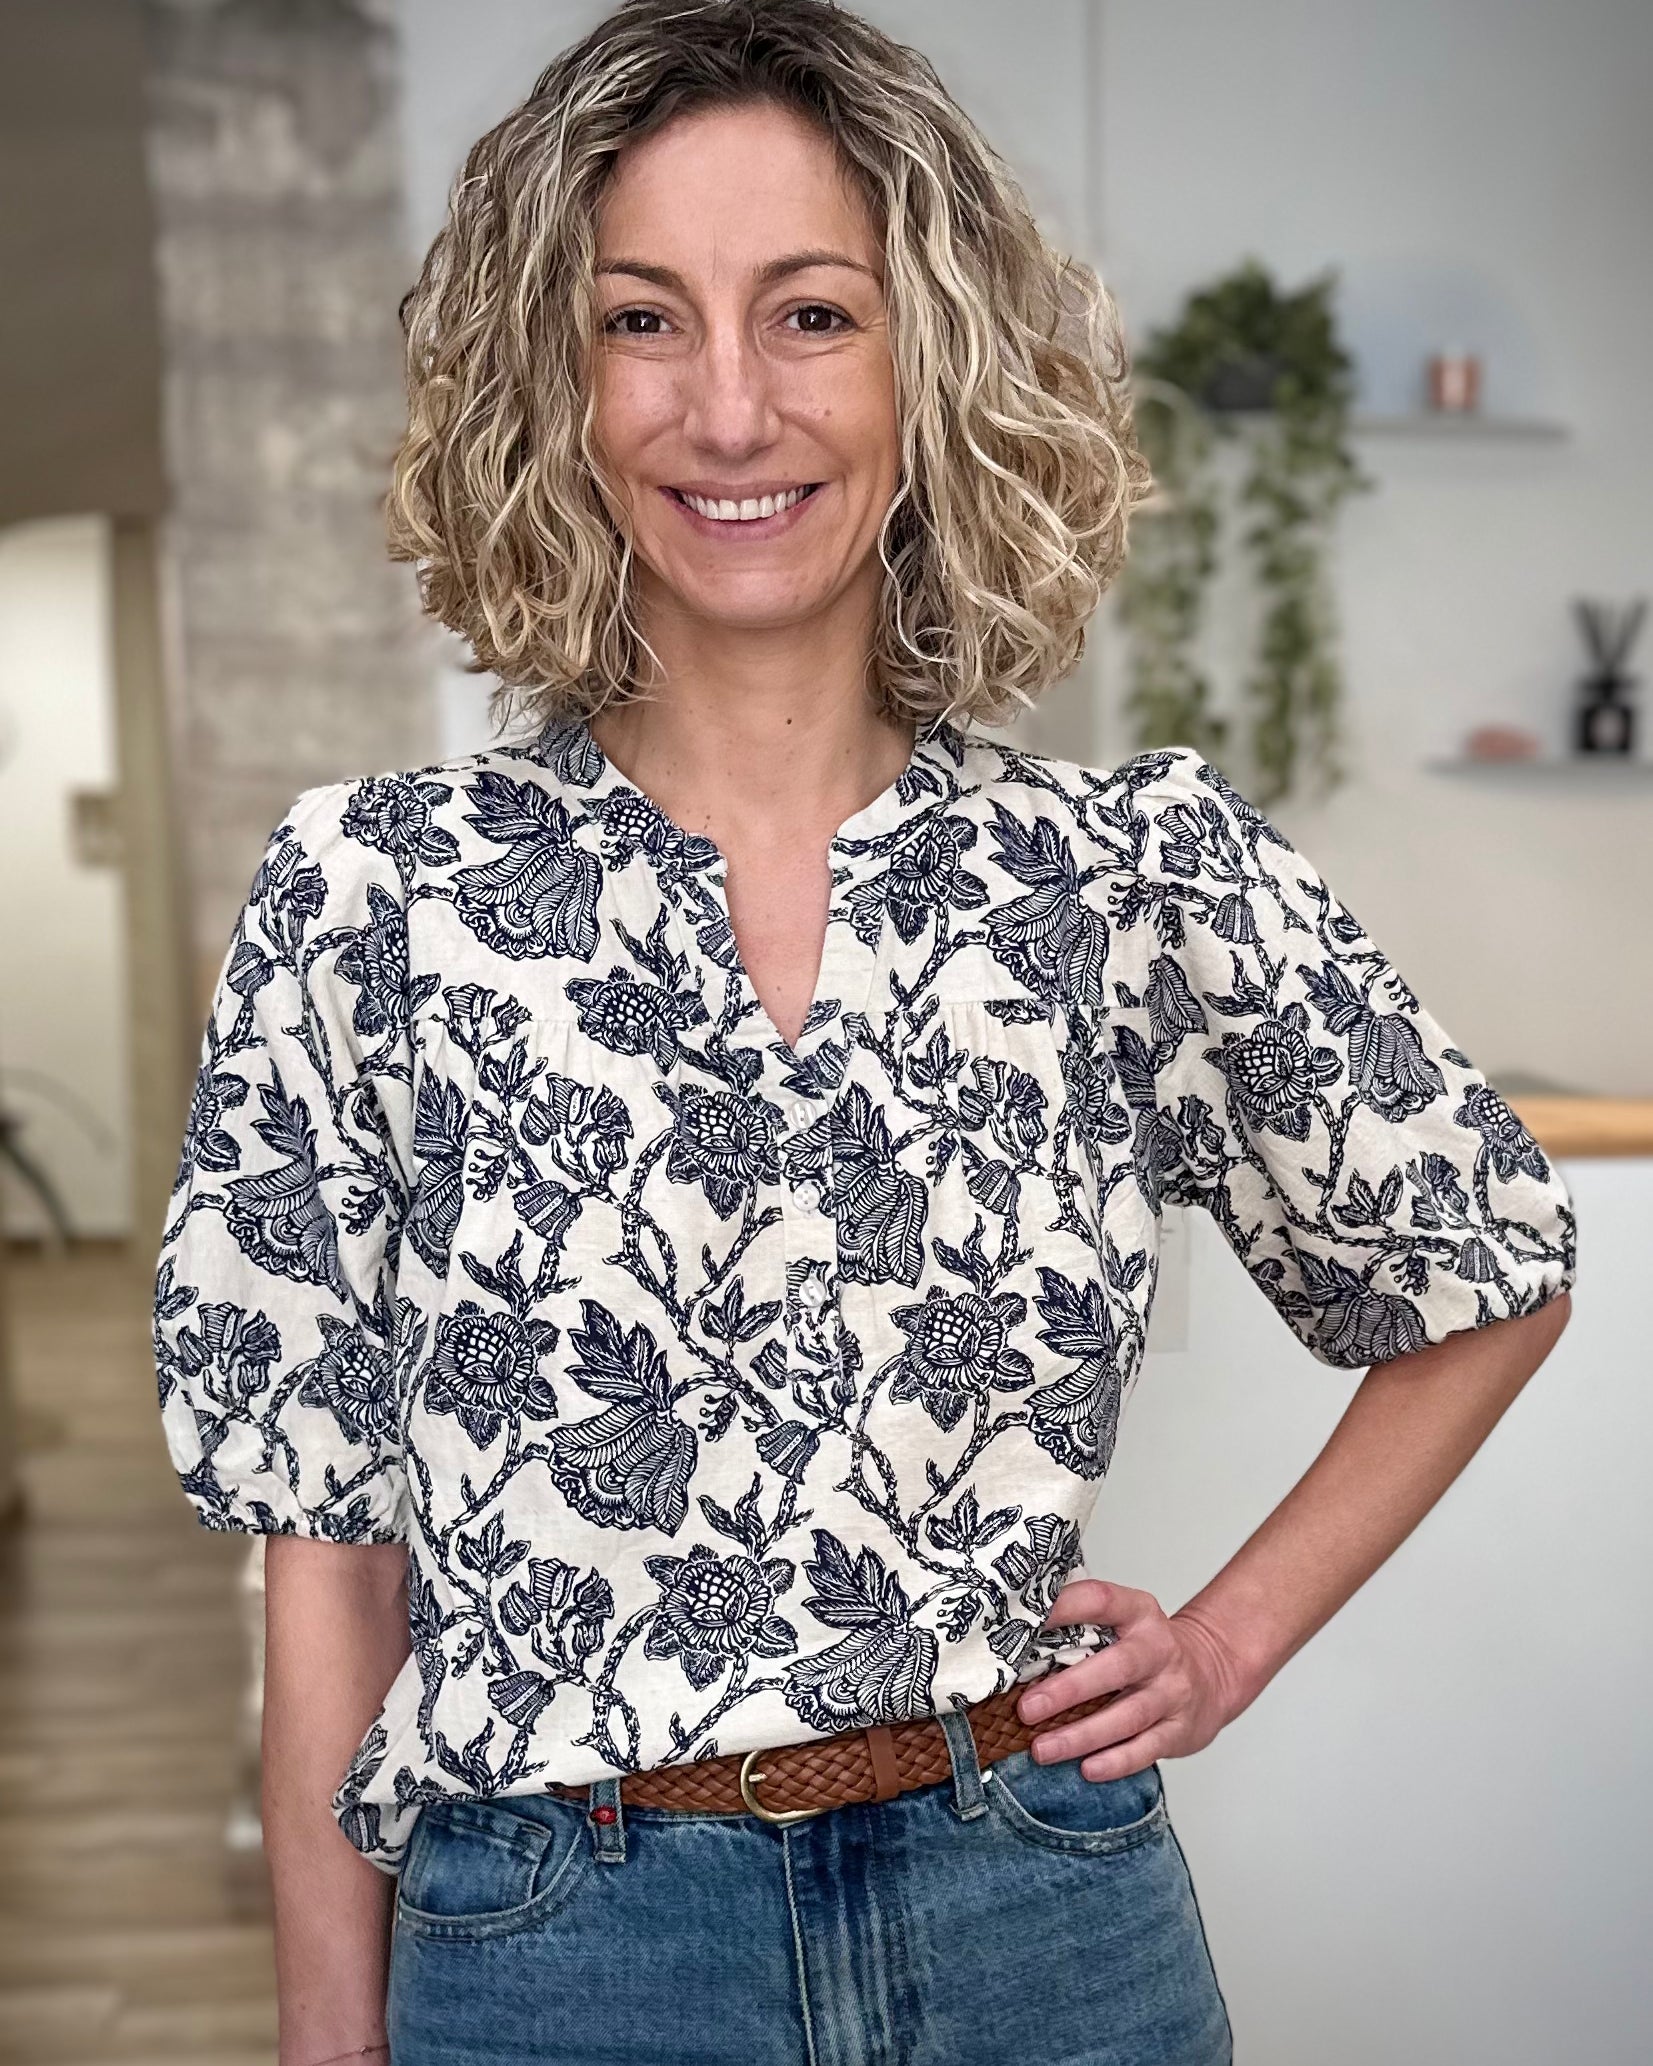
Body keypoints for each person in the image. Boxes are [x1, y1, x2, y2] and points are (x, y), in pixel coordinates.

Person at [151, 3, 1577, 2062]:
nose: (729, 407)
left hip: (1043, 1924)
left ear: (931, 363)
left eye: (810, 314)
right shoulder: (368, 899)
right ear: (551, 380)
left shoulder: (1116, 877)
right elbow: (329, 1577)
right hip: (558, 1951)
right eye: (644, 319)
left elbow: (1481, 1260)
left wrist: (1232, 1633)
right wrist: (322, 2030)